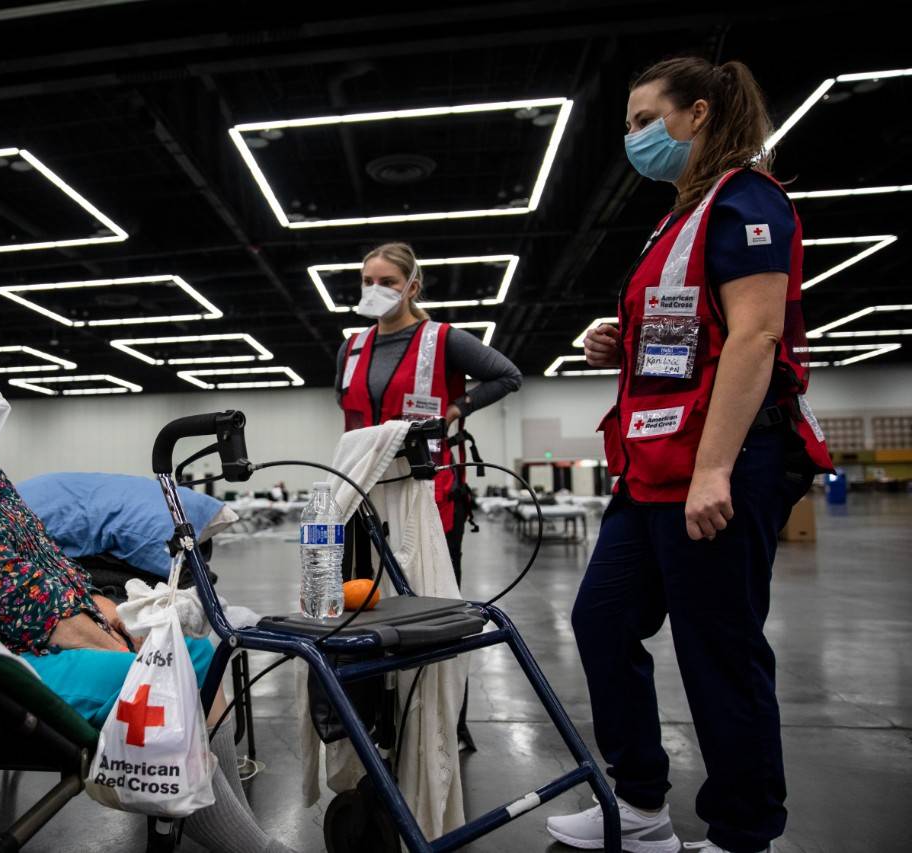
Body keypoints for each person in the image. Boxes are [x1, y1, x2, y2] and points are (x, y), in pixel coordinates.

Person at [0, 322, 296, 853]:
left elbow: (37, 554)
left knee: (192, 656)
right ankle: (255, 849)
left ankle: (244, 837)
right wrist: (106, 638)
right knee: (167, 679)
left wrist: (99, 609)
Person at [545, 58, 832, 853]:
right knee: (601, 620)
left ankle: (743, 832)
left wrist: (714, 469)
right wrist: (624, 341)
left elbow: (756, 335)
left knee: (719, 649)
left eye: (644, 121)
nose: (634, 137)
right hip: (654, 464)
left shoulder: (746, 199)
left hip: (722, 459)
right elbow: (690, 332)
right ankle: (638, 802)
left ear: (697, 113)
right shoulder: (681, 218)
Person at [335, 242, 523, 583]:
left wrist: (457, 408)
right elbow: (346, 402)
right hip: (364, 487)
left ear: (412, 288)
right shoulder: (351, 348)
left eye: (388, 282)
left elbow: (508, 376)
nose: (375, 290)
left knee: (433, 593)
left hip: (430, 486)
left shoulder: (443, 339)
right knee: (367, 592)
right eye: (367, 281)